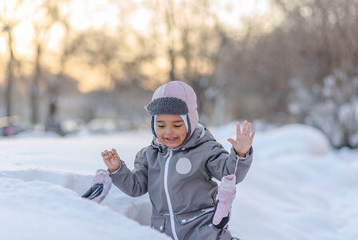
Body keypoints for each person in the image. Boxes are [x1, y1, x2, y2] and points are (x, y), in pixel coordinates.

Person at [101, 81, 255, 240]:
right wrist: (117, 170)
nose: (169, 132)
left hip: (202, 227)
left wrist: (240, 154)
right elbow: (136, 187)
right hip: (163, 229)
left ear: (190, 122)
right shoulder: (149, 155)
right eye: (161, 125)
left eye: (177, 124)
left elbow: (229, 174)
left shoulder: (205, 149)